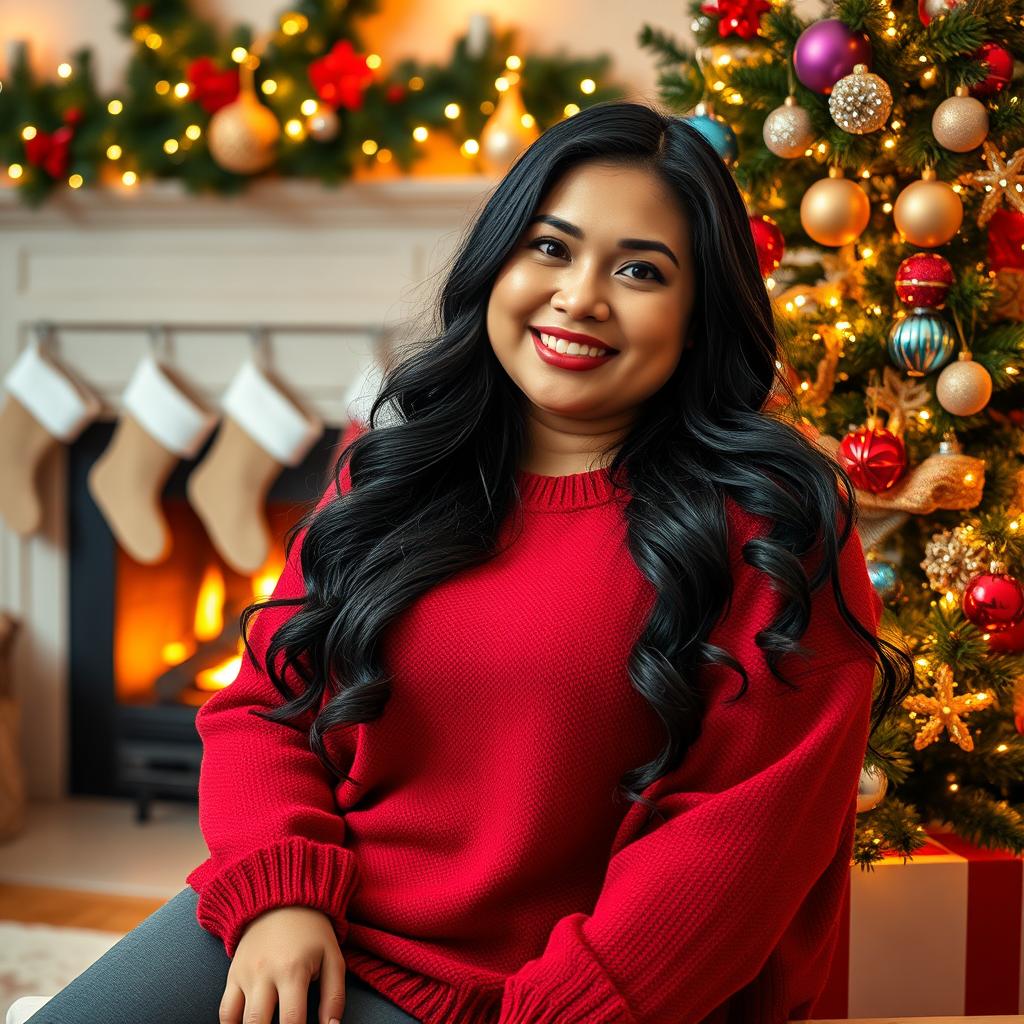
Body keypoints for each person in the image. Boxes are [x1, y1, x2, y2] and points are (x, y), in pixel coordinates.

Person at [29, 98, 914, 1024]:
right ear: (497, 263)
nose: (580, 296)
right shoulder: (396, 471)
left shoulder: (775, 529)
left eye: (641, 270)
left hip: (533, 1000)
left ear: (699, 316)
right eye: (550, 247)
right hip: (306, 917)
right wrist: (280, 895)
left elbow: (737, 853)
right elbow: (262, 706)